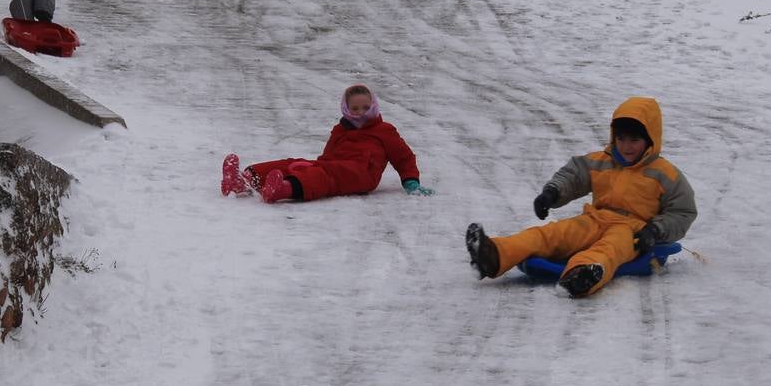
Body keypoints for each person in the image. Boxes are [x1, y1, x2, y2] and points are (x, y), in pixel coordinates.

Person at [465, 97, 696, 299]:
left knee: (609, 250)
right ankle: (494, 254)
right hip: (594, 219)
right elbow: (574, 176)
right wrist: (552, 193)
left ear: (650, 140)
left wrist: (655, 230)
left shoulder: (665, 174)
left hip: (633, 231)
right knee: (551, 234)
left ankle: (583, 275)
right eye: (621, 138)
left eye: (634, 140)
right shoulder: (601, 161)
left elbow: (682, 212)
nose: (626, 147)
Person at [221, 84, 434, 203]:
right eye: (355, 108)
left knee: (323, 175)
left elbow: (403, 157)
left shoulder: (384, 131)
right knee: (296, 163)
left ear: (374, 107)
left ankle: (283, 189)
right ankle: (246, 178)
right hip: (335, 167)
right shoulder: (340, 129)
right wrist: (307, 167)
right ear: (346, 108)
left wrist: (410, 180)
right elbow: (328, 156)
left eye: (365, 107)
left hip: (362, 175)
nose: (360, 112)